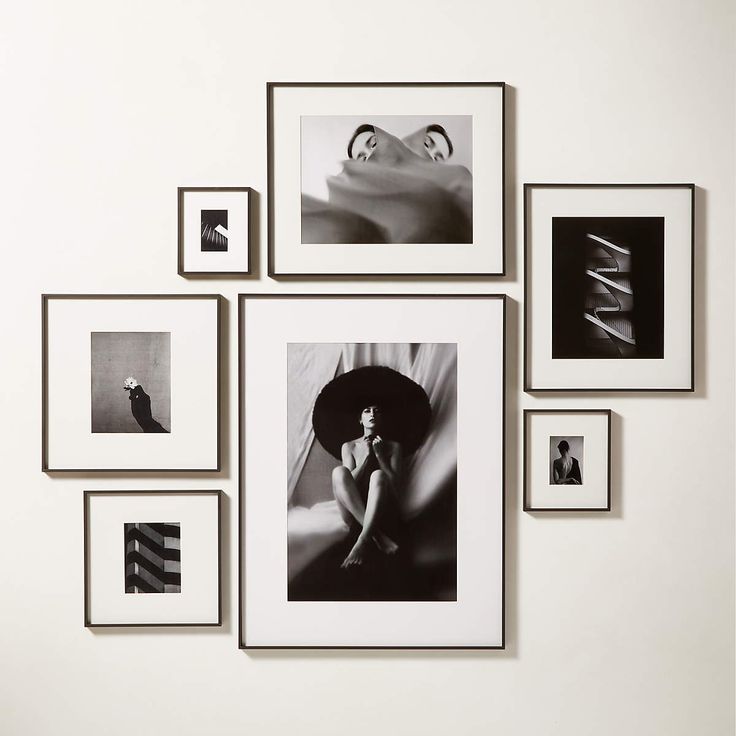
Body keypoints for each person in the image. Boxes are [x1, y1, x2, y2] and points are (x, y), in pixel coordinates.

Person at [331, 404, 402, 568]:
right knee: (339, 471)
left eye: (377, 411)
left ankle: (362, 540)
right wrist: (367, 457)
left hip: (381, 508)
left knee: (379, 475)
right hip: (353, 509)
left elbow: (395, 487)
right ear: (360, 420)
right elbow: (346, 484)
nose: (372, 414)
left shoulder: (394, 447)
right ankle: (378, 536)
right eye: (367, 410)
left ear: (382, 419)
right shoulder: (349, 446)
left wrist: (379, 455)